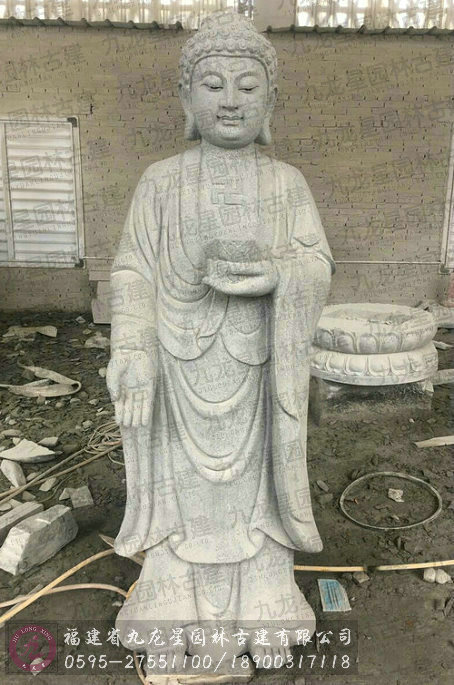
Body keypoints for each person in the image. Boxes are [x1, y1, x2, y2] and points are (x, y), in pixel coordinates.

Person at [106, 10, 335, 677]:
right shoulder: (159, 182)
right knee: (177, 484)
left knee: (255, 489)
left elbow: (316, 262)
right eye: (212, 84)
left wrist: (281, 276)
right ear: (187, 97)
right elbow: (131, 270)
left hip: (258, 367)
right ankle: (170, 590)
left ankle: (264, 589)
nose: (230, 99)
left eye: (247, 86)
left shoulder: (286, 183)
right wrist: (133, 349)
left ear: (270, 101)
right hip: (176, 368)